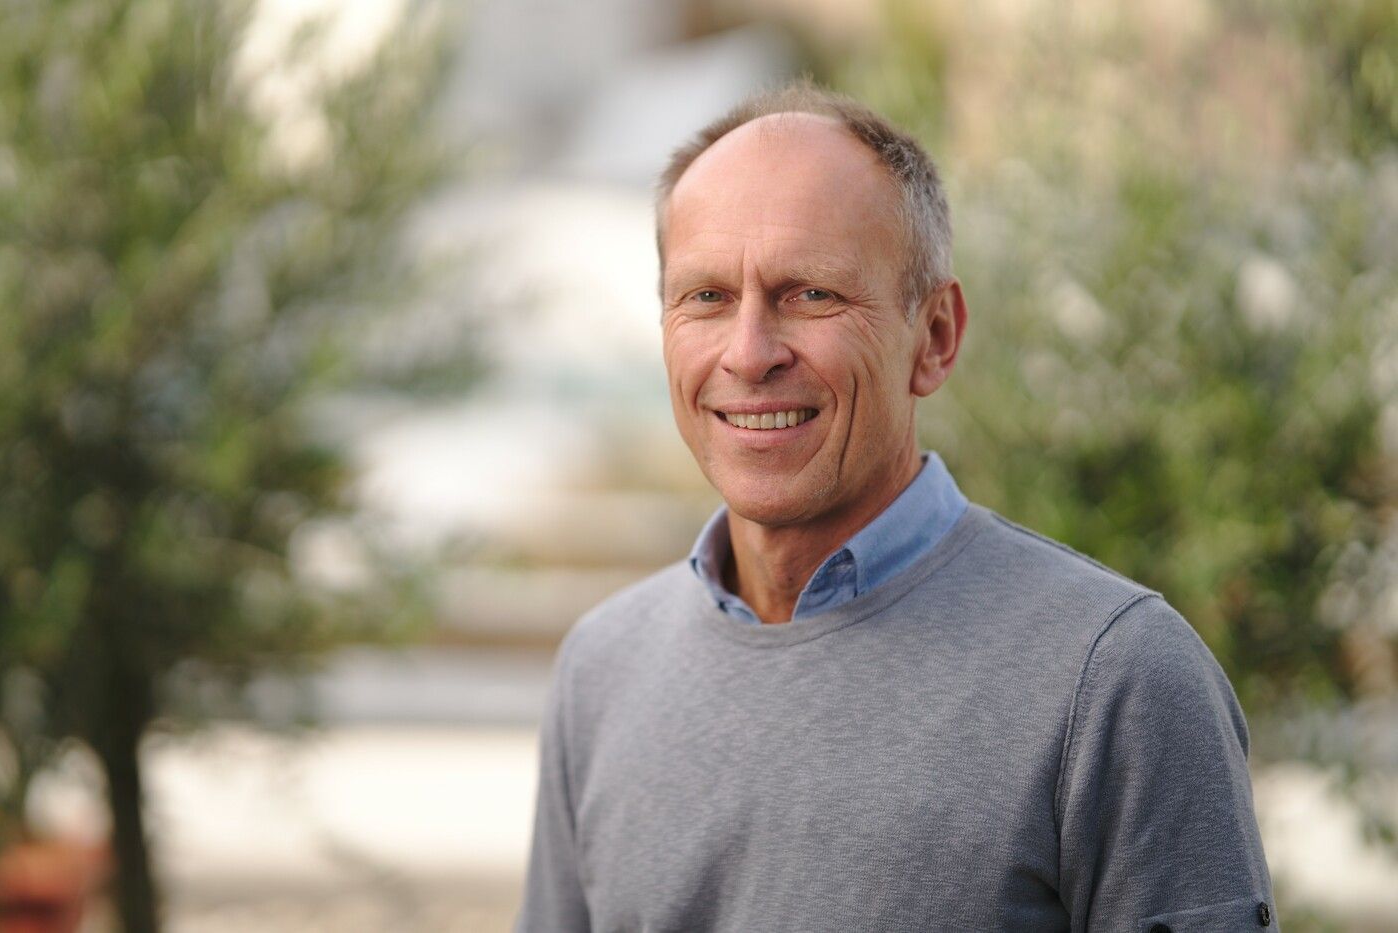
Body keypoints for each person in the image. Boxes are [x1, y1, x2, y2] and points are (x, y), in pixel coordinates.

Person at [517, 82, 1278, 932]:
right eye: (706, 297)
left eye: (811, 293)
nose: (749, 353)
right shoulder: (602, 669)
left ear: (936, 336)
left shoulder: (1117, 679)